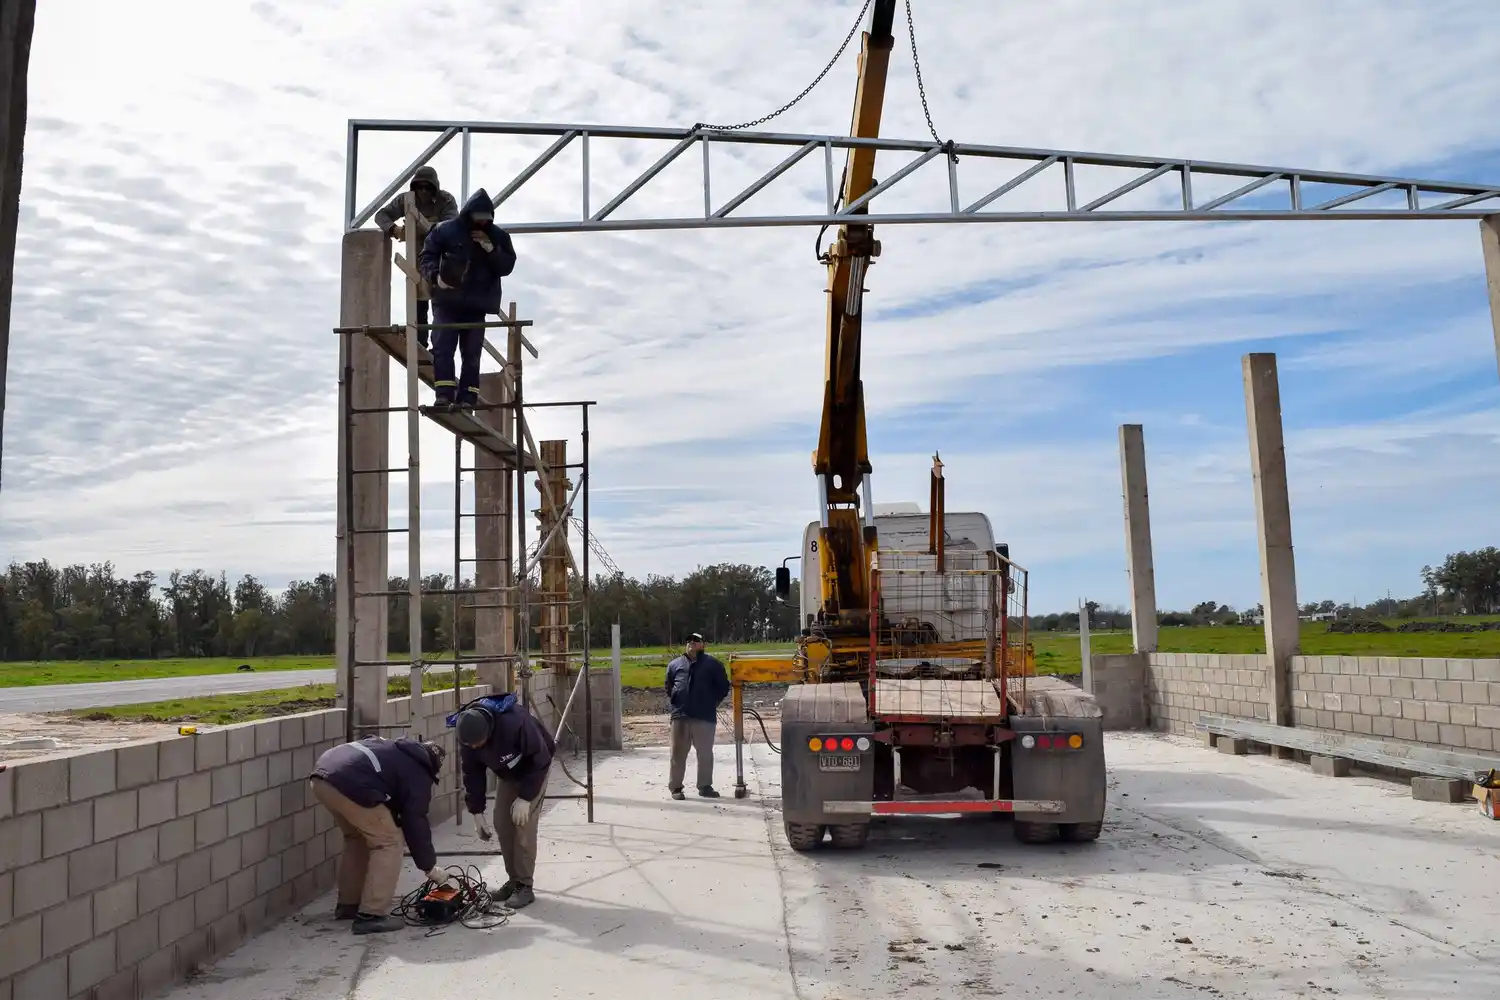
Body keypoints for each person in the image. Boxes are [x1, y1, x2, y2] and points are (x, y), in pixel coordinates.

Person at [307, 736, 452, 935]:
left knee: (357, 838)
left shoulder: (393, 749)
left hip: (322, 776)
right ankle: (371, 915)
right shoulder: (419, 771)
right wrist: (429, 867)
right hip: (351, 783)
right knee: (388, 842)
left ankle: (348, 905)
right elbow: (415, 821)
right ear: (433, 767)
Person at [417, 187, 517, 412]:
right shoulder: (445, 230)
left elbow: (507, 266)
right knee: (443, 347)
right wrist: (436, 277)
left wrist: (491, 248)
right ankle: (444, 395)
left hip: (476, 305)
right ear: (469, 214)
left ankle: (468, 399)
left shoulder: (498, 237)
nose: (482, 223)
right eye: (478, 218)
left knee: (472, 354)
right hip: (447, 302)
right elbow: (427, 256)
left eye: (486, 219)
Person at [452, 693, 554, 909]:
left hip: (535, 768)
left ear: (489, 731)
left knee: (522, 822)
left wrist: (525, 798)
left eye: (479, 743)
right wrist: (476, 812)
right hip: (508, 773)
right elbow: (472, 774)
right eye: (471, 745)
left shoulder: (514, 723)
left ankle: (525, 886)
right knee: (502, 822)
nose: (475, 748)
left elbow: (540, 758)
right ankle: (513, 881)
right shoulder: (467, 736)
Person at [373, 165, 458, 349]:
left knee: (441, 307)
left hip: (441, 261)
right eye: (419, 187)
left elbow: (451, 227)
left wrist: (421, 227)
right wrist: (394, 229)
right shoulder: (406, 200)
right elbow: (380, 215)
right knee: (418, 307)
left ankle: (439, 350)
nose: (423, 191)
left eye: (428, 187)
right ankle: (420, 346)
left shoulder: (446, 200)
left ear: (434, 188)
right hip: (418, 262)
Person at [665, 632, 730, 800]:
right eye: (688, 640)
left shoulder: (713, 664)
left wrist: (711, 703)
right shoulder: (674, 665)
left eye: (696, 640)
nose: (691, 643)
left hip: (704, 716)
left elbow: (723, 687)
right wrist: (678, 700)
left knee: (705, 753)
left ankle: (705, 786)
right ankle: (676, 787)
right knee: (677, 753)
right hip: (680, 716)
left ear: (703, 644)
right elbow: (669, 687)